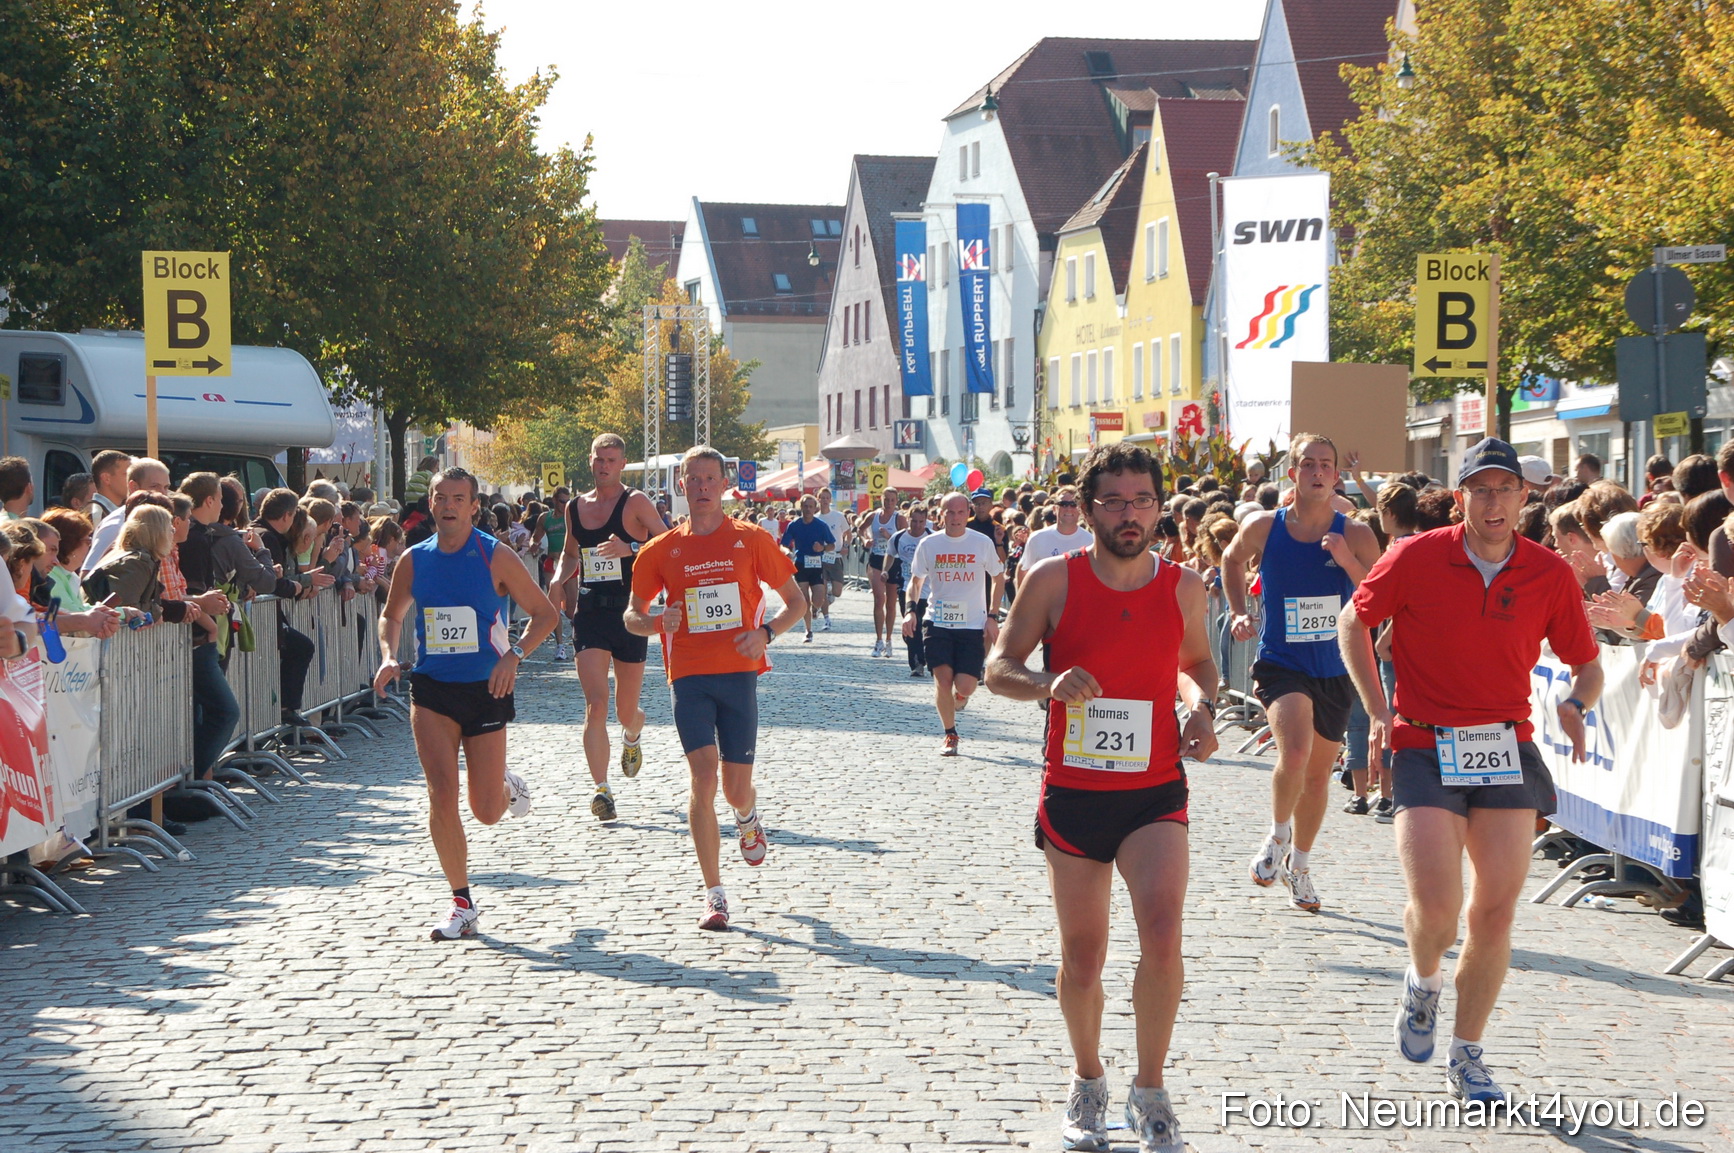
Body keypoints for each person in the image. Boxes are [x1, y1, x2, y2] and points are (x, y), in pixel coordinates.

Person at [1339, 436, 1602, 1104]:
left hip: (1505, 746)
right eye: (1479, 489)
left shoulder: (1548, 571)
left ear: (1523, 496)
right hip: (1424, 744)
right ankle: (1424, 978)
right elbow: (1352, 621)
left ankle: (1468, 1053)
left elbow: (1588, 663)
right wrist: (1376, 709)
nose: (1493, 501)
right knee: (1438, 908)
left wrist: (1576, 702)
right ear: (1460, 498)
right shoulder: (1416, 555)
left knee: (1494, 911)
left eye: (1504, 488)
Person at [985, 442, 1219, 1153]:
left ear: (1159, 508)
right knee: (1083, 958)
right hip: (1075, 792)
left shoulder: (1183, 586)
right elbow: (998, 666)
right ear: (1088, 510)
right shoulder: (1053, 578)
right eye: (1114, 502)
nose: (1129, 514)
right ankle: (1088, 1080)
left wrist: (1200, 706)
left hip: (1154, 791)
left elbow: (1196, 663)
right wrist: (1046, 683)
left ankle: (1150, 1090)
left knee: (1163, 933)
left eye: (1142, 500)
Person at [373, 467, 559, 940]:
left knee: (487, 811)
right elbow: (391, 615)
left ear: (474, 506)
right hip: (432, 689)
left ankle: (503, 783)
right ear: (431, 504)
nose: (449, 506)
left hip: (486, 688)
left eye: (459, 498)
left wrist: (514, 656)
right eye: (441, 497)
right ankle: (462, 903)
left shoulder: (495, 555)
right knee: (441, 793)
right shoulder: (414, 559)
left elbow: (545, 614)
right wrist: (389, 655)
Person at [625, 446, 805, 931]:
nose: (702, 486)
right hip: (688, 675)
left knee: (734, 788)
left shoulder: (751, 539)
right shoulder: (659, 550)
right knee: (703, 778)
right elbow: (632, 615)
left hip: (739, 674)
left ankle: (746, 816)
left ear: (724, 485)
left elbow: (796, 602)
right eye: (694, 479)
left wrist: (766, 633)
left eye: (710, 479)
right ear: (681, 485)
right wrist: (657, 621)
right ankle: (715, 894)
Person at [1223, 433, 1381, 913]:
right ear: (1292, 473)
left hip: (1335, 667)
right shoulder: (1264, 526)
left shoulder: (1356, 533)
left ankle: (1301, 866)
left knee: (1317, 777)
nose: (1317, 471)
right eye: (1307, 464)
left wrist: (1347, 560)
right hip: (1282, 662)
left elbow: (1381, 593)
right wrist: (1238, 610)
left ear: (1336, 476)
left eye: (1325, 464)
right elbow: (1230, 560)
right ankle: (1277, 837)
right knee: (1294, 751)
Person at [547, 433, 666, 821]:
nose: (604, 466)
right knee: (596, 705)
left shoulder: (636, 502)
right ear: (590, 460)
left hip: (630, 613)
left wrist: (629, 548)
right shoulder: (575, 507)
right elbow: (570, 554)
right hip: (591, 613)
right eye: (599, 459)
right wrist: (558, 580)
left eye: (611, 460)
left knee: (624, 710)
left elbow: (668, 544)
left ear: (622, 464)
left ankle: (633, 732)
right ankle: (602, 790)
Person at [902, 492, 1004, 756]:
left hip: (972, 625)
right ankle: (950, 734)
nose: (955, 518)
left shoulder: (981, 542)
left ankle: (961, 697)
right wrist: (910, 611)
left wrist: (992, 616)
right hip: (937, 622)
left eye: (960, 512)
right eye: (950, 512)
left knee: (966, 686)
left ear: (967, 514)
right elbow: (915, 581)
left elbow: (998, 577)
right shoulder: (929, 544)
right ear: (941, 514)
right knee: (943, 680)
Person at [779, 494, 836, 642]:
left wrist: (822, 548)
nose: (808, 509)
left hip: (816, 565)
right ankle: (808, 630)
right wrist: (787, 552)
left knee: (818, 599)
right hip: (801, 564)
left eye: (811, 507)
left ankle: (816, 608)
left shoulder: (821, 525)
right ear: (801, 507)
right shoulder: (794, 525)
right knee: (804, 600)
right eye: (805, 506)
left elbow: (832, 545)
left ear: (815, 508)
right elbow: (783, 544)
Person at [886, 502, 933, 676]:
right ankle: (917, 663)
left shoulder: (932, 538)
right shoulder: (899, 538)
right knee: (911, 626)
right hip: (907, 588)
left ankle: (923, 660)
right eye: (914, 521)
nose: (917, 525)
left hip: (929, 590)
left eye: (921, 522)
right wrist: (885, 570)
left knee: (925, 626)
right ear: (908, 519)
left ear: (926, 521)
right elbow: (890, 554)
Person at [860, 490, 904, 656]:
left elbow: (906, 538)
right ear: (881, 499)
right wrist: (865, 539)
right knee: (879, 599)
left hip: (893, 561)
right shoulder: (873, 516)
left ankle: (889, 639)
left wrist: (889, 536)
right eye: (887, 500)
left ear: (896, 501)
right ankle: (878, 641)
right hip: (877, 560)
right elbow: (860, 529)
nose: (889, 503)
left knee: (891, 604)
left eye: (892, 500)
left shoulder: (899, 519)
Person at [1022, 485, 1094, 565]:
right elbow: (1024, 569)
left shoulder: (1091, 541)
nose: (1068, 509)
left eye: (1073, 504)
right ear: (1054, 509)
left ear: (1080, 509)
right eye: (1063, 504)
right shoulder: (1036, 538)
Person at [815, 487, 849, 627]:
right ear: (818, 499)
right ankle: (827, 619)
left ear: (830, 500)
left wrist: (846, 545)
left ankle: (826, 597)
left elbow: (848, 533)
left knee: (837, 591)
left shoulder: (838, 516)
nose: (824, 500)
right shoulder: (815, 518)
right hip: (821, 558)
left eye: (827, 498)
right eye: (822, 498)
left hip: (835, 556)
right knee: (821, 590)